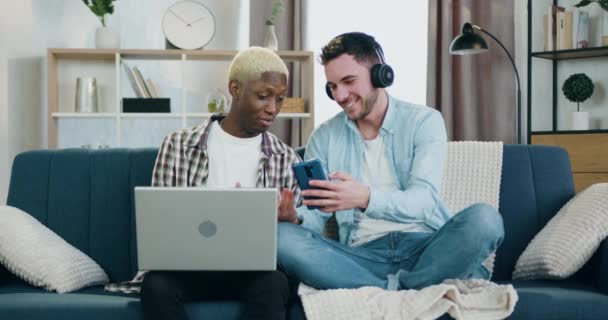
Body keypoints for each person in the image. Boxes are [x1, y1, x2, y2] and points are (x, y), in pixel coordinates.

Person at [275, 32, 504, 291]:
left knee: (486, 219)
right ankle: (409, 287)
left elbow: (424, 201)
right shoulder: (324, 136)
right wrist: (295, 219)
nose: (340, 95)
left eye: (348, 81)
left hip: (427, 248)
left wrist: (366, 198)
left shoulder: (424, 121)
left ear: (380, 74)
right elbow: (317, 217)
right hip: (361, 257)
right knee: (281, 236)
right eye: (332, 87)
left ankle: (384, 288)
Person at [141, 46, 302, 320]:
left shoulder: (286, 158)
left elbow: (300, 243)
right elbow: (161, 225)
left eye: (280, 99)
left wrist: (293, 220)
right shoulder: (178, 145)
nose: (273, 109)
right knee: (156, 285)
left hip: (254, 274)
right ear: (235, 89)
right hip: (187, 270)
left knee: (275, 283)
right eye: (263, 96)